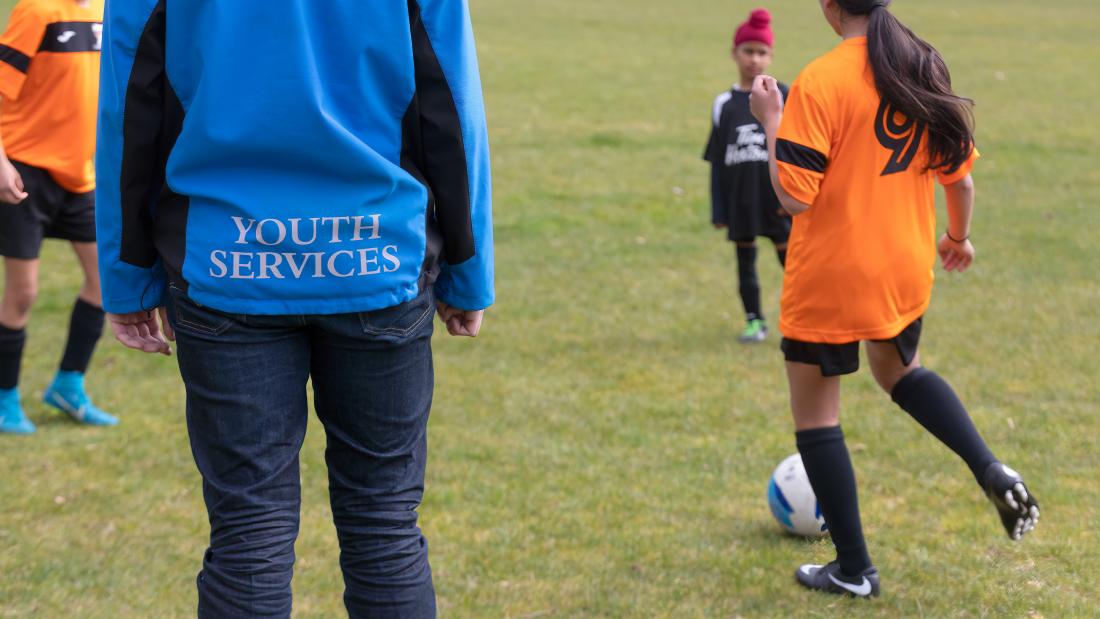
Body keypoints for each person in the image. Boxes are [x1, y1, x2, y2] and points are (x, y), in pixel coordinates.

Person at [96, 1, 493, 617]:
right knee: (383, 524)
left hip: (227, 261)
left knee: (248, 533)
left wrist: (126, 278)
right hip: (376, 257)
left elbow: (129, 107)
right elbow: (452, 105)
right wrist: (468, 271)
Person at [749, 0, 1039, 598]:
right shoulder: (923, 64)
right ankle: (990, 468)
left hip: (830, 276)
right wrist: (957, 238)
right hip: (902, 269)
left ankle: (854, 569)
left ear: (830, 6)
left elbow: (794, 198)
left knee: (818, 417)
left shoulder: (821, 79)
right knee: (898, 370)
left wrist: (771, 119)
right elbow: (959, 177)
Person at [0, 0, 116, 434]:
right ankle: (4, 398)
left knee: (104, 283)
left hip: (79, 176)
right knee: (23, 293)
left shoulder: (107, 11)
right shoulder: (37, 10)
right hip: (24, 170)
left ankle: (69, 385)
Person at [704, 8, 791, 343]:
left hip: (777, 199)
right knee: (745, 261)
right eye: (748, 51)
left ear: (771, 56)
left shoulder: (781, 94)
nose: (755, 59)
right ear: (734, 53)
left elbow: (795, 151)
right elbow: (716, 160)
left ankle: (802, 322)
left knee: (792, 265)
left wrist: (793, 195)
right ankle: (755, 320)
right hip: (740, 199)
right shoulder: (723, 103)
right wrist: (719, 209)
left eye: (762, 52)